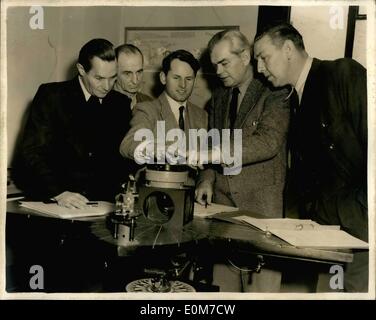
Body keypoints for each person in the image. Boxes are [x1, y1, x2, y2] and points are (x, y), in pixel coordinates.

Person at [253, 22, 368, 292]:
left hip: (360, 232)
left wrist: (361, 212)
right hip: (327, 235)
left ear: (289, 49)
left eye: (263, 57)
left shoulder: (343, 74)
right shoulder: (294, 98)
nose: (259, 68)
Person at [195, 30, 290, 292]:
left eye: (224, 63)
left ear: (246, 56)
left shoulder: (275, 91)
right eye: (214, 65)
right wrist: (206, 178)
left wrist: (214, 155)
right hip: (223, 211)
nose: (219, 70)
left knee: (261, 291)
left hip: (262, 210)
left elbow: (268, 142)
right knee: (223, 292)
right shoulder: (219, 97)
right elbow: (211, 145)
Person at [12, 38, 132, 208]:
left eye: (112, 78)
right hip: (56, 201)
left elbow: (120, 159)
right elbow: (32, 152)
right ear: (81, 69)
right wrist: (59, 193)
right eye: (99, 78)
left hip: (104, 205)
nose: (107, 86)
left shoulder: (120, 104)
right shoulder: (52, 97)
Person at [120, 49, 207, 163]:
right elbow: (128, 144)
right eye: (176, 78)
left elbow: (207, 158)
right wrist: (159, 150)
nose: (183, 85)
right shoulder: (147, 110)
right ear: (163, 78)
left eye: (188, 79)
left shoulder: (202, 115)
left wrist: (205, 181)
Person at [114, 44, 152, 109]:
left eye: (139, 72)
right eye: (127, 74)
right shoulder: (101, 104)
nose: (135, 81)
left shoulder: (150, 103)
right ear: (114, 73)